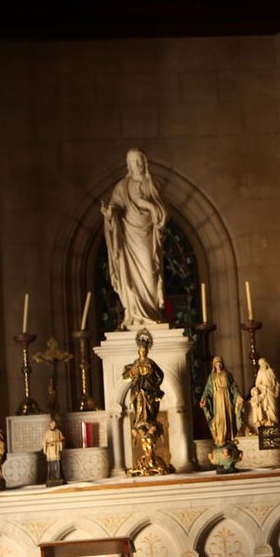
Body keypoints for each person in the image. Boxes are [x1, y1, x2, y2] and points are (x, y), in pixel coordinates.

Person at [102, 147, 168, 329]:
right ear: (128, 165)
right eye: (133, 162)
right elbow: (115, 207)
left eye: (139, 160)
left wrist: (150, 207)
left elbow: (162, 212)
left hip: (146, 236)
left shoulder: (151, 184)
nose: (137, 164)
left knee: (149, 271)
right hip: (128, 239)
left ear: (145, 162)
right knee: (130, 275)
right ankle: (134, 314)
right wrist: (110, 214)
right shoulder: (122, 187)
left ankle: (151, 312)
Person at [122, 328, 164, 468]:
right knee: (139, 407)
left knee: (150, 408)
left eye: (145, 350)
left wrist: (154, 384)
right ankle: (141, 420)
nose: (143, 352)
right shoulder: (135, 363)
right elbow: (128, 375)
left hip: (149, 391)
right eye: (141, 351)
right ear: (138, 352)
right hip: (138, 391)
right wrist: (135, 374)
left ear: (147, 351)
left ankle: (148, 420)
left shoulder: (150, 363)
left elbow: (160, 374)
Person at [199, 356, 243, 447]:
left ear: (222, 364)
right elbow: (207, 390)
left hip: (226, 398)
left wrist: (238, 395)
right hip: (217, 400)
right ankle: (220, 438)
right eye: (216, 363)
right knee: (219, 418)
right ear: (214, 365)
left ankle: (229, 437)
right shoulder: (211, 377)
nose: (218, 364)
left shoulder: (227, 374)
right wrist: (204, 398)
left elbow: (233, 387)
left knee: (228, 416)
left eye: (220, 362)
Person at [249, 358, 280, 432]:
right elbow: (257, 383)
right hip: (265, 392)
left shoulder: (271, 371)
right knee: (268, 408)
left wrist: (277, 390)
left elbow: (276, 382)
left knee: (273, 407)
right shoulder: (260, 372)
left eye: (263, 363)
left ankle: (274, 422)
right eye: (261, 364)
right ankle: (270, 421)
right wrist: (264, 387)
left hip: (271, 391)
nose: (262, 365)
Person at [43, 417, 65, 486]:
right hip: (50, 450)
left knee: (57, 464)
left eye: (54, 424)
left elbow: (61, 439)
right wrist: (45, 450)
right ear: (49, 425)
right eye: (52, 424)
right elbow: (44, 442)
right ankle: (51, 478)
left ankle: (58, 477)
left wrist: (60, 446)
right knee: (51, 465)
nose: (53, 425)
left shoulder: (58, 431)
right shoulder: (46, 433)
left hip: (56, 449)